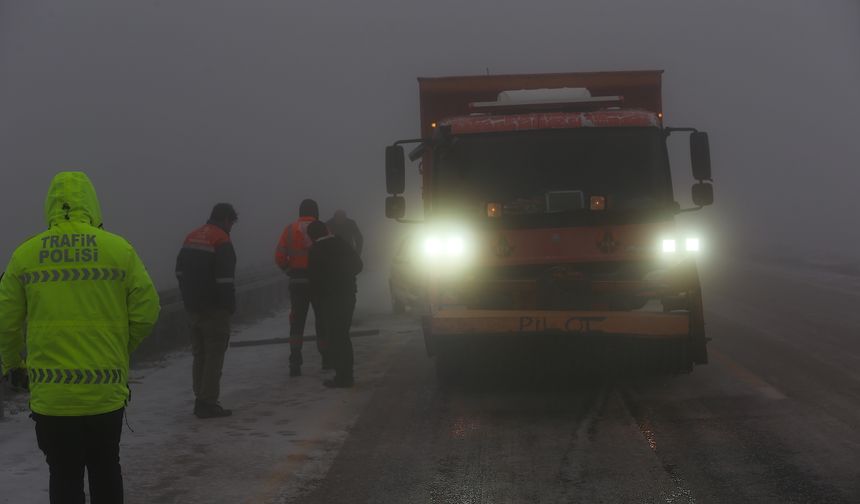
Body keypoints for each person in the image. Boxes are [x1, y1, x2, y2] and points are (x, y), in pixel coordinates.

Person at [0, 171, 160, 504]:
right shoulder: (118, 249)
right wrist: (119, 348)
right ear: (92, 203)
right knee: (105, 468)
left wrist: (14, 364)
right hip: (104, 393)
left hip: (52, 397)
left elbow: (6, 322)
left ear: (50, 206)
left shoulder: (25, 256)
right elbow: (147, 309)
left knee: (64, 475)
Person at [175, 203, 237, 419]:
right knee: (214, 354)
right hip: (214, 309)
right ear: (227, 220)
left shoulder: (191, 237)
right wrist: (229, 306)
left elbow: (179, 271)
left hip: (193, 307)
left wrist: (188, 297)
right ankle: (208, 402)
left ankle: (199, 397)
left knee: (199, 353)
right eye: (232, 223)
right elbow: (226, 280)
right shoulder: (221, 240)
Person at [306, 220, 363, 388]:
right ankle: (347, 374)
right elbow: (359, 265)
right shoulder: (341, 243)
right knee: (343, 335)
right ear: (326, 230)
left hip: (330, 299)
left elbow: (314, 279)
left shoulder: (316, 251)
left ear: (311, 237)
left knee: (336, 337)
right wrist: (344, 275)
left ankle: (343, 377)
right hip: (348, 295)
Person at [275, 199, 327, 377]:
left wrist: (291, 271)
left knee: (297, 323)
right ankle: (326, 359)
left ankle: (295, 361)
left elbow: (279, 257)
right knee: (322, 320)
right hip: (319, 282)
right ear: (316, 211)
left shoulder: (289, 229)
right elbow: (331, 254)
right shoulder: (322, 228)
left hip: (297, 283)